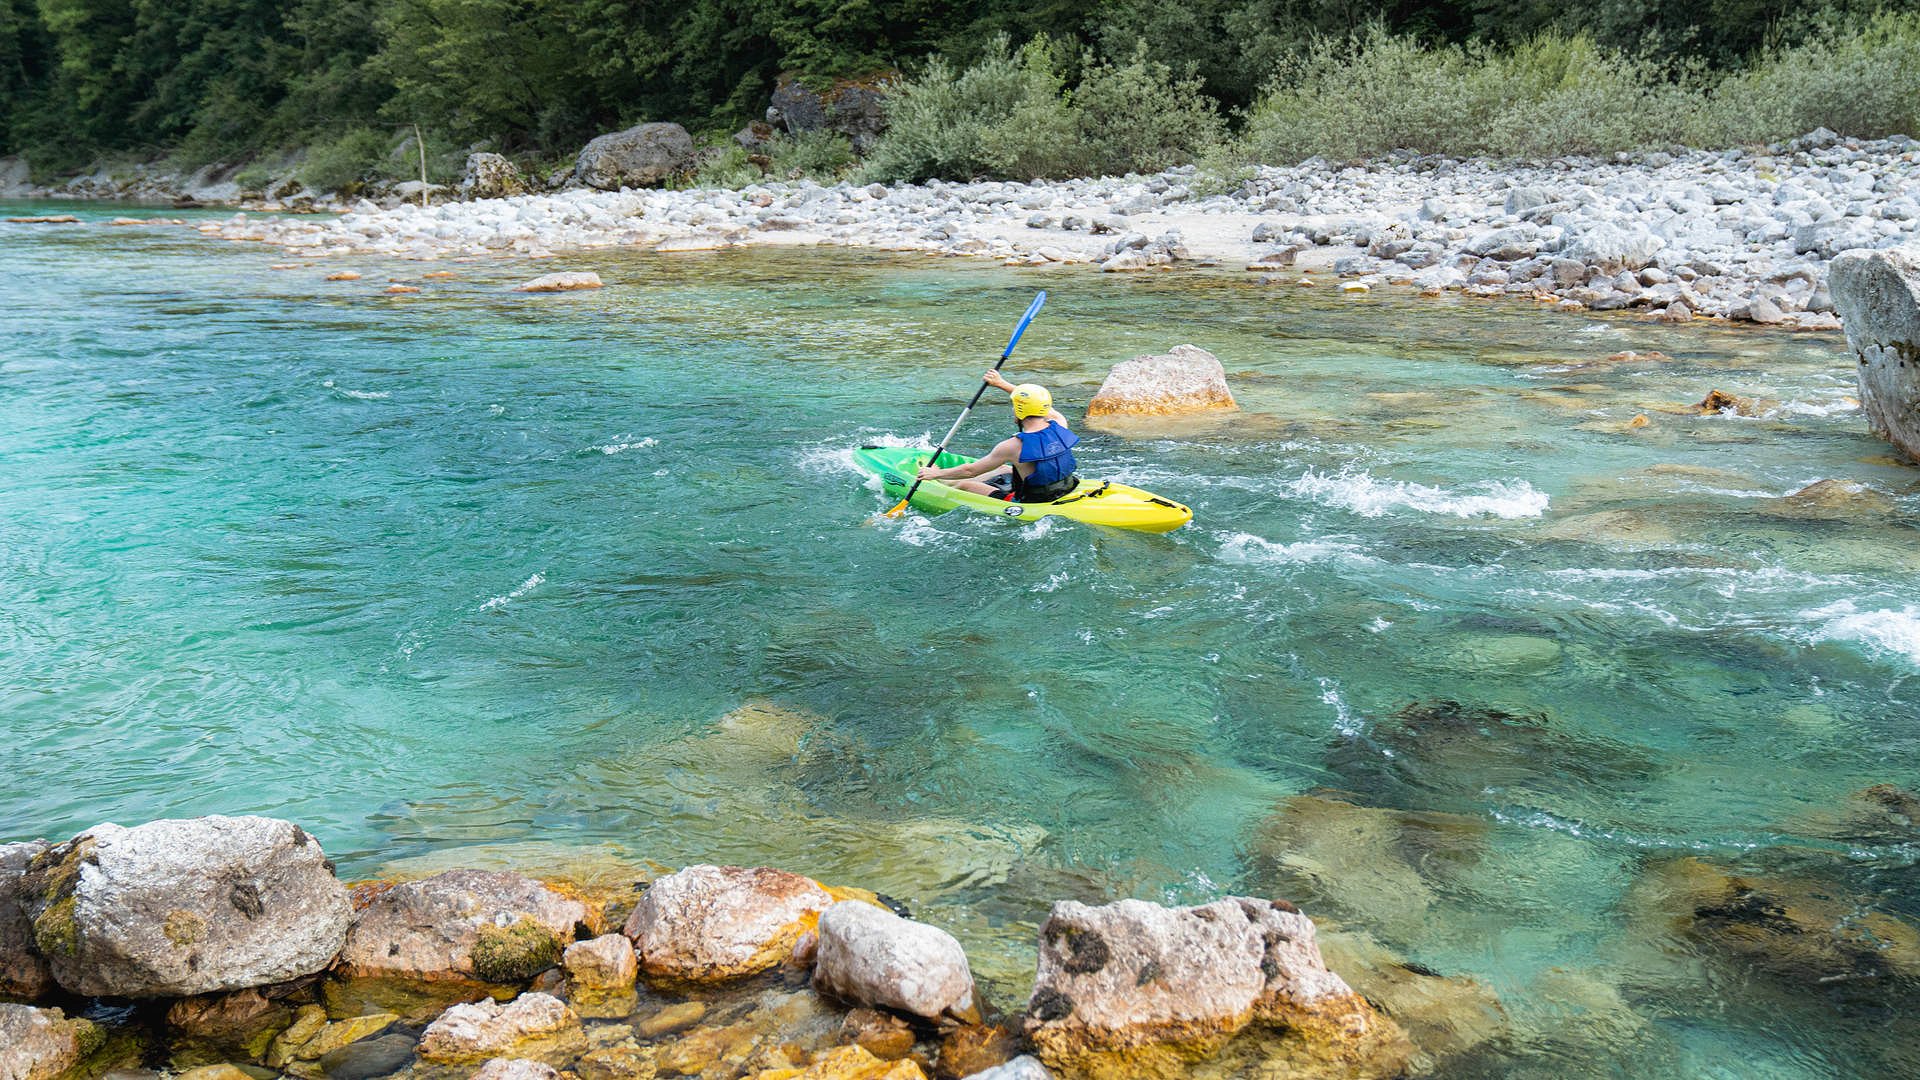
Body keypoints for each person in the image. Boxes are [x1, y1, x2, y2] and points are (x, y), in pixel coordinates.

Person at [916, 371, 1080, 502]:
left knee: (966, 484)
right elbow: (1035, 401)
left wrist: (934, 474)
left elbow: (970, 471)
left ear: (1018, 411)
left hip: (1034, 501)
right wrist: (1001, 383)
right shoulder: (1060, 423)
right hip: (1066, 487)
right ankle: (951, 480)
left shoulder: (1012, 446)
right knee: (1002, 468)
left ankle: (948, 482)